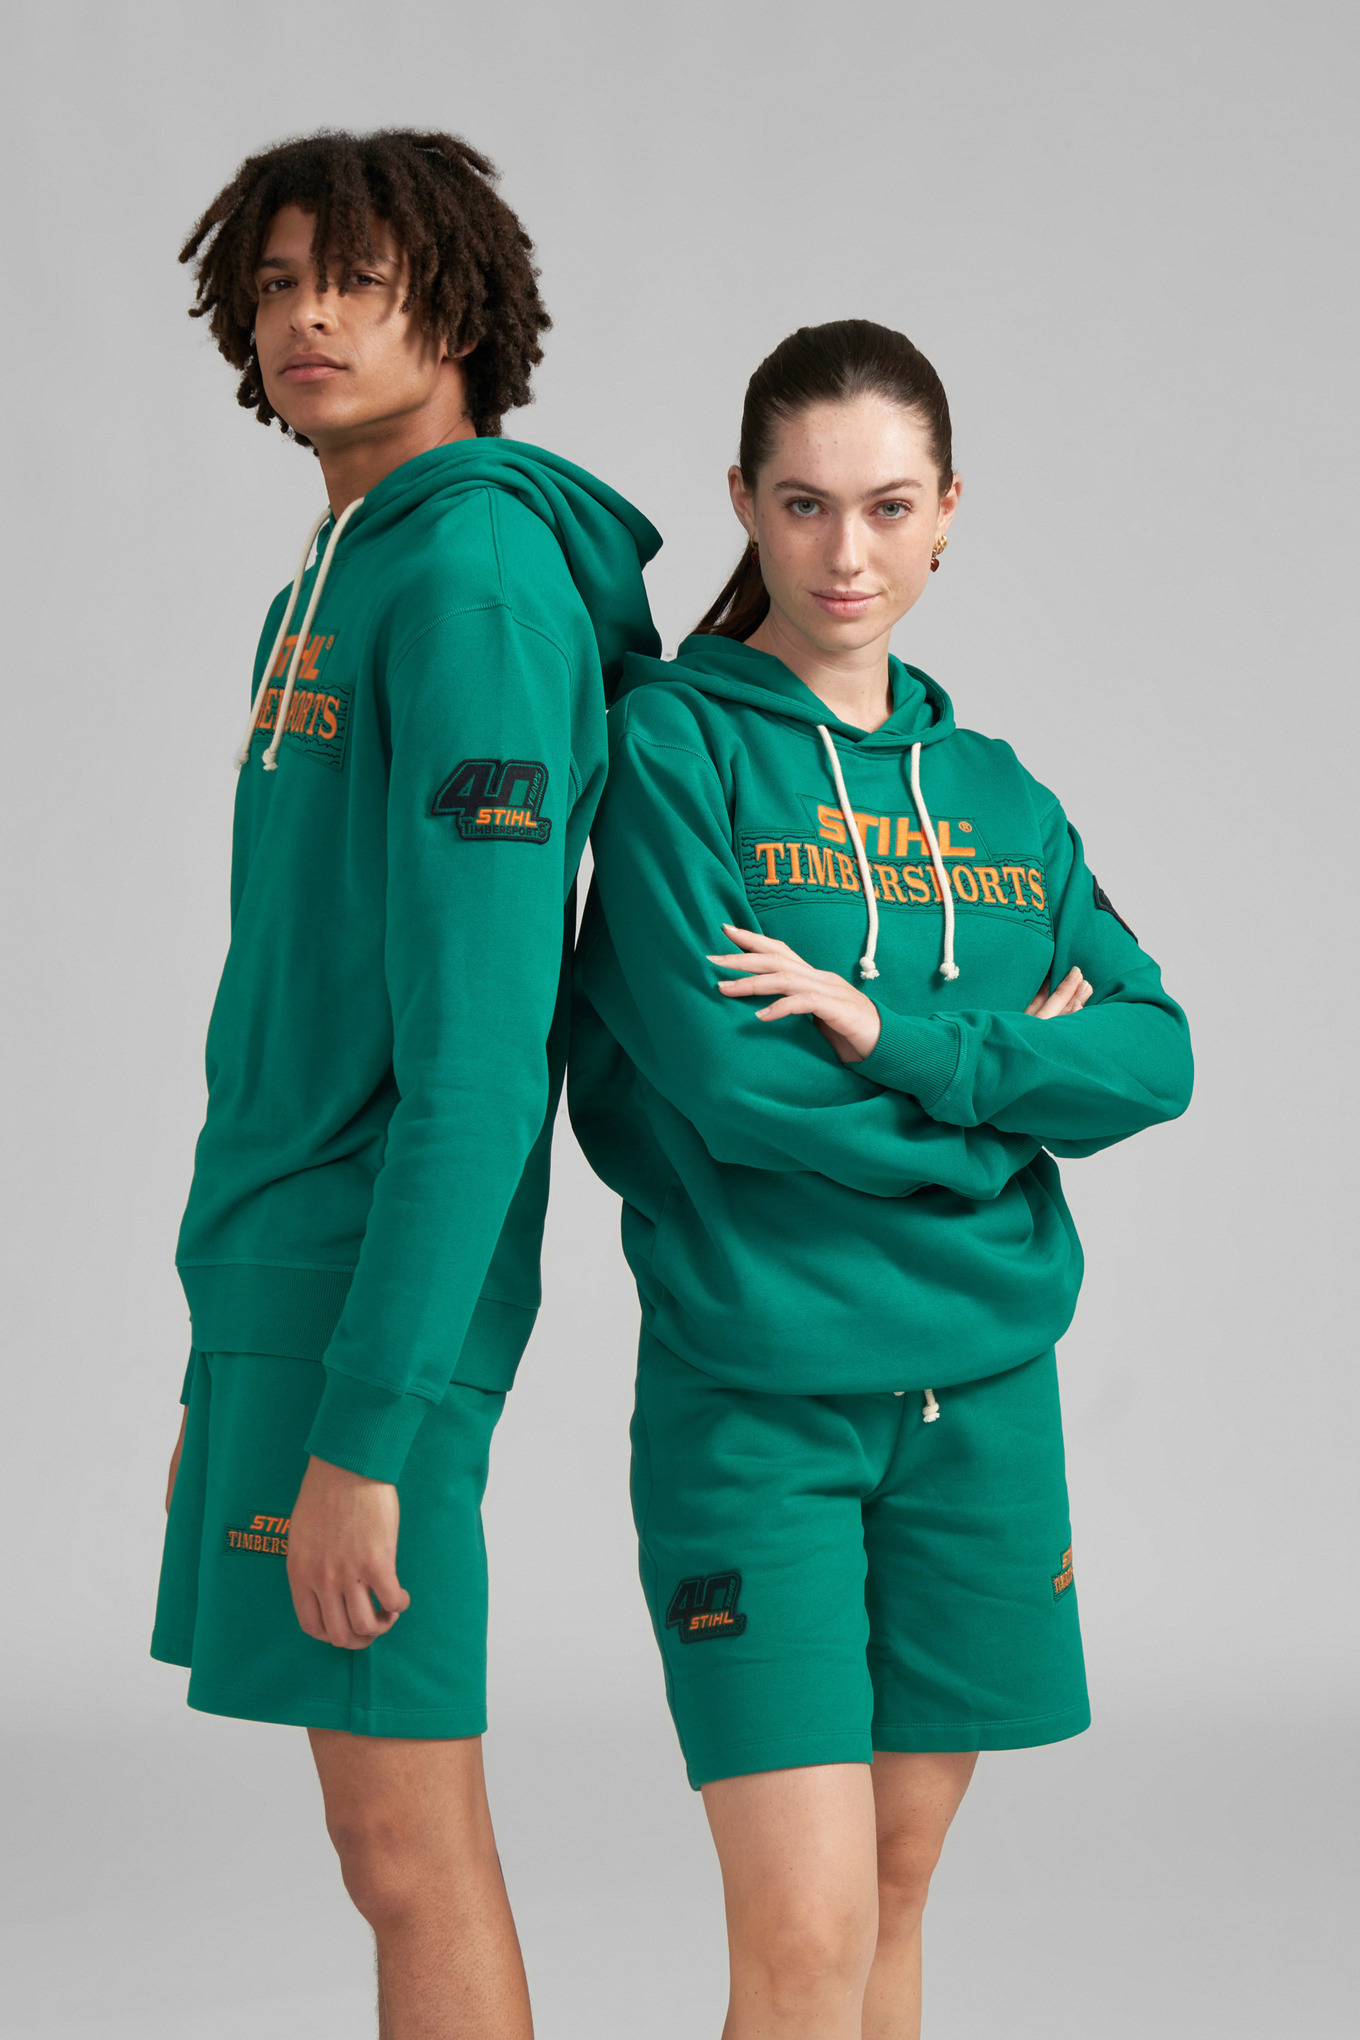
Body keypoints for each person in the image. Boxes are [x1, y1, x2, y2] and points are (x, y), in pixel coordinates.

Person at [570, 319, 1192, 2039]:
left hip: (982, 1403)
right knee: (805, 1932)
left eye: (889, 506)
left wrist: (893, 1037)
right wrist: (1008, 1104)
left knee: (897, 1895)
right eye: (804, 503)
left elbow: (1156, 1053)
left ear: (948, 512)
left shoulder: (997, 797)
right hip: (759, 1399)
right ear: (743, 504)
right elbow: (731, 1088)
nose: (848, 552)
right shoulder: (676, 750)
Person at [151, 128, 659, 2039]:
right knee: (376, 1844)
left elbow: (479, 1054)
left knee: (406, 1845)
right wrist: (218, 1362)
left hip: (381, 1287)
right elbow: (296, 993)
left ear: (457, 308)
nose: (309, 318)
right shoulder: (343, 568)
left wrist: (366, 1426)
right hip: (284, 1274)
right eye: (279, 283)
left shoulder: (468, 582)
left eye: (356, 280)